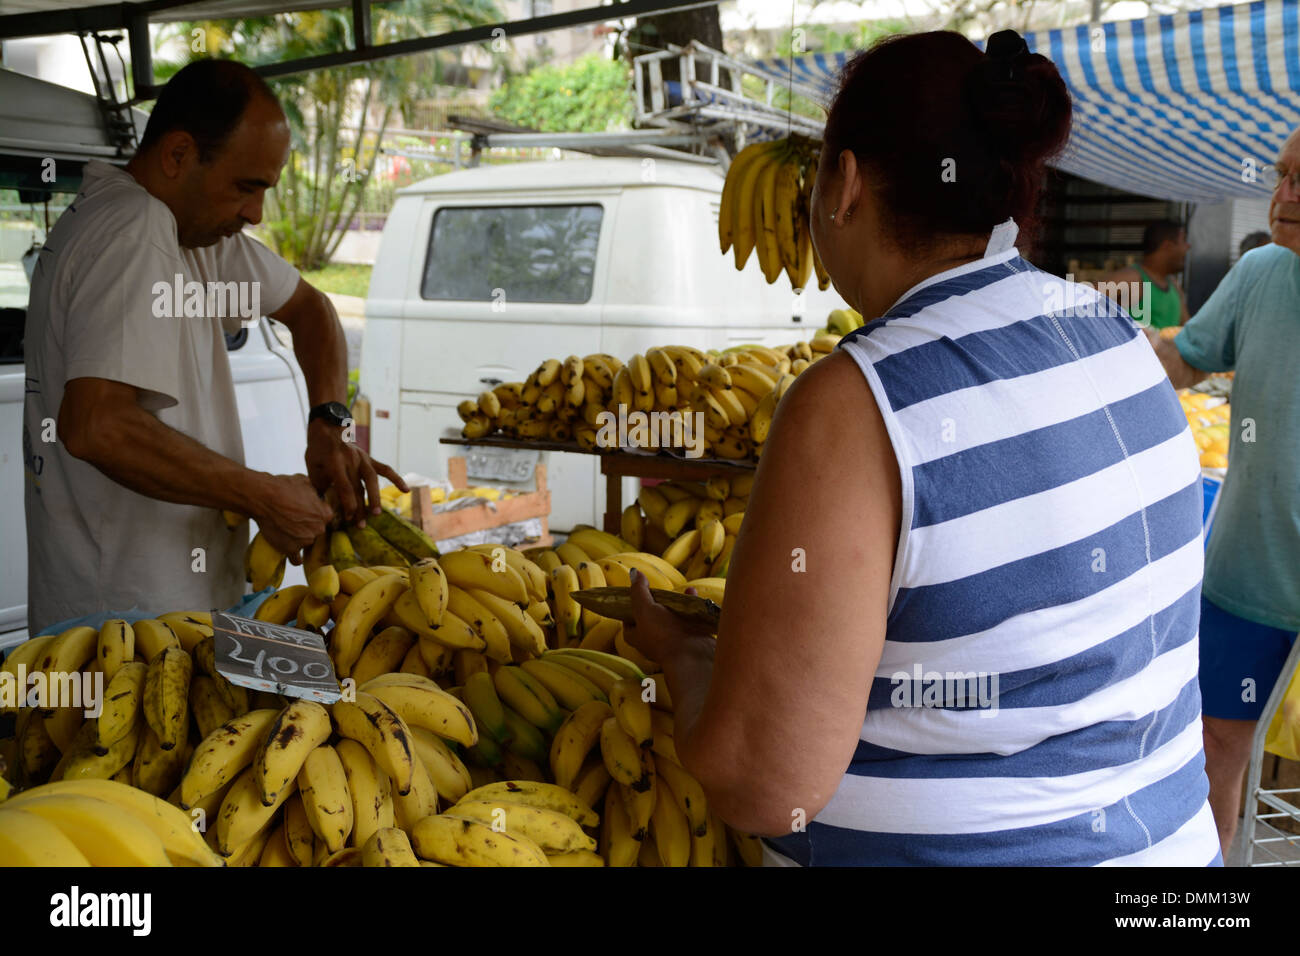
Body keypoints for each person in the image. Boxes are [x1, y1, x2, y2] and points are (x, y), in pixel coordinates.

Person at [626, 29, 1221, 865]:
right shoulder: (1114, 334)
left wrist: (687, 661)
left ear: (846, 182)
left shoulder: (855, 404)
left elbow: (767, 786)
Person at [23, 59, 405, 633]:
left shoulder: (192, 235)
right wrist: (263, 496)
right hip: (126, 626)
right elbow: (96, 425)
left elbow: (314, 311)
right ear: (178, 155)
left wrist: (329, 422)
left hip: (180, 611)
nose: (254, 214)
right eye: (245, 187)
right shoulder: (134, 227)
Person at [1143, 127, 1300, 859]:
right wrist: (1098, 334)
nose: (1283, 196)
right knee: (1212, 755)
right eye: (1281, 176)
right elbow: (1182, 360)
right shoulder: (1261, 272)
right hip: (1246, 574)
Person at [1105, 221, 1190, 329]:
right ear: (1167, 246)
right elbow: (1082, 306)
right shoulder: (1130, 279)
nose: (1188, 246)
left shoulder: (1174, 286)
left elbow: (1187, 331)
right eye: (1183, 240)